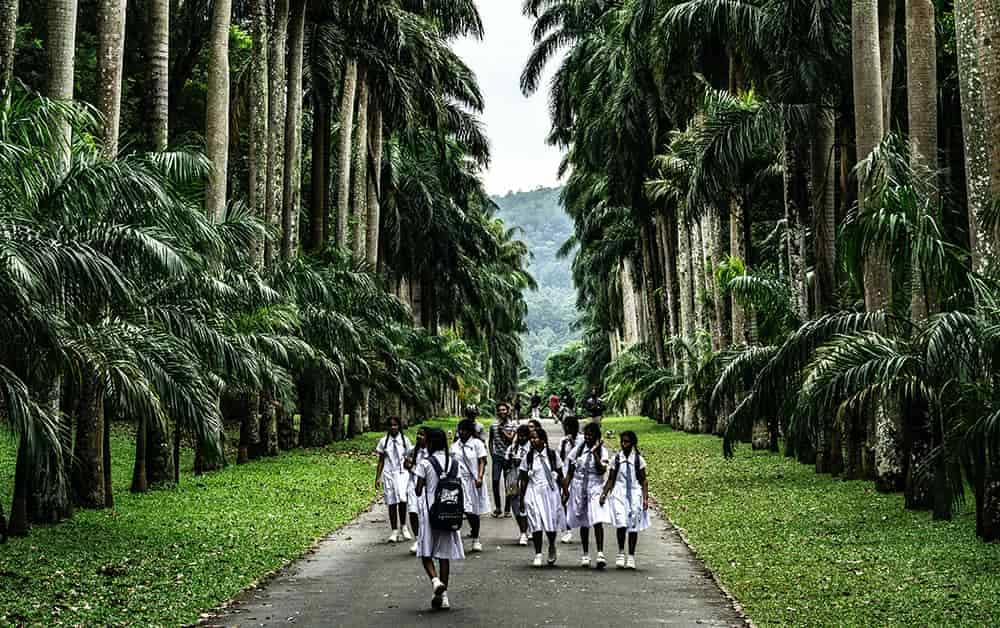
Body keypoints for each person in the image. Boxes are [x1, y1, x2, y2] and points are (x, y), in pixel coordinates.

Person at [414, 428, 464, 610]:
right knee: (444, 556)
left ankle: (435, 581)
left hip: (430, 513)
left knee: (426, 552)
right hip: (449, 513)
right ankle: (444, 598)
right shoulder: (454, 463)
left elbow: (418, 490)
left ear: (430, 442)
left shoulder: (425, 463)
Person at [562, 422, 611, 569]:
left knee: (597, 519)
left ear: (597, 436)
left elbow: (602, 470)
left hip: (595, 487)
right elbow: (570, 470)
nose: (588, 438)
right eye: (587, 435)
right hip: (579, 487)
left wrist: (595, 452)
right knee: (583, 522)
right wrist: (565, 489)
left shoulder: (602, 451)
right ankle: (585, 554)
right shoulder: (579, 450)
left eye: (591, 435)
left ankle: (600, 553)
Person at [600, 430, 650, 570]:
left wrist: (645, 498)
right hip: (619, 493)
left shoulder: (638, 460)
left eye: (627, 442)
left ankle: (632, 556)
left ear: (632, 443)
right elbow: (611, 479)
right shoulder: (616, 459)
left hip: (634, 493)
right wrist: (604, 494)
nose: (624, 444)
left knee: (633, 524)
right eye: (622, 441)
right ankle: (621, 552)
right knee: (621, 522)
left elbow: (643, 481)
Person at [518, 427, 566, 567]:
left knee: (550, 524)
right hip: (533, 492)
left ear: (543, 440)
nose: (532, 440)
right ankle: (538, 553)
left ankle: (551, 545)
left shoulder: (552, 455)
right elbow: (524, 478)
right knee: (535, 522)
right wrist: (522, 498)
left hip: (550, 492)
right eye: (531, 438)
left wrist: (565, 491)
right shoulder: (528, 457)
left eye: (535, 438)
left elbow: (560, 473)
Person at [451, 418, 490, 552]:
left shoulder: (477, 444)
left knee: (473, 511)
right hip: (459, 482)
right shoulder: (455, 446)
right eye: (460, 430)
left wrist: (479, 477)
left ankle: (476, 538)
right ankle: (454, 540)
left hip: (473, 481)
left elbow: (482, 461)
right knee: (458, 511)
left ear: (470, 431)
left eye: (465, 430)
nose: (462, 433)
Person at [374, 416, 412, 544]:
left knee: (402, 499)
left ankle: (404, 526)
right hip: (389, 473)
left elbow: (409, 457)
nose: (393, 427)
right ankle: (394, 531)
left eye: (395, 425)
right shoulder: (384, 442)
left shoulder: (405, 440)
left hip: (402, 473)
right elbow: (381, 460)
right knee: (391, 502)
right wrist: (377, 478)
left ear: (399, 426)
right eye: (391, 425)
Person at [557, 417, 584, 544]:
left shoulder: (582, 439)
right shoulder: (563, 440)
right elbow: (560, 458)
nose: (566, 429)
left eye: (568, 426)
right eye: (565, 426)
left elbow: (580, 455)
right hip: (565, 473)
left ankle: (584, 524)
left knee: (580, 502)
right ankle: (568, 530)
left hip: (578, 474)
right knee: (565, 500)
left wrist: (573, 443)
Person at [404, 426, 430, 554]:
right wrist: (408, 464)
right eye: (418, 434)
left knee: (426, 514)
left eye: (422, 435)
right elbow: (406, 464)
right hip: (413, 483)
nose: (419, 437)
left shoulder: (432, 452)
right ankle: (418, 539)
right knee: (413, 511)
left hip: (427, 486)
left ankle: (428, 539)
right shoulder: (412, 451)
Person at [488, 403, 517, 517]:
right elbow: (490, 440)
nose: (502, 412)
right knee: (495, 482)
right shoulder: (493, 425)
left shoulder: (513, 425)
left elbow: (511, 440)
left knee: (509, 484)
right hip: (497, 457)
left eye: (504, 410)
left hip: (509, 457)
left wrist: (503, 431)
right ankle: (498, 508)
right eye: (500, 410)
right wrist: (492, 453)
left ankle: (507, 509)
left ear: (508, 411)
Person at [505, 424, 532, 546]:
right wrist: (510, 460)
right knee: (514, 504)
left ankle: (525, 531)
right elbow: (505, 465)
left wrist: (521, 462)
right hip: (512, 479)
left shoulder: (531, 448)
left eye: (524, 436)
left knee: (525, 504)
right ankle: (522, 529)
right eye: (519, 436)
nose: (521, 438)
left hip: (526, 480)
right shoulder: (512, 448)